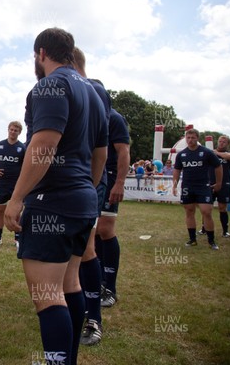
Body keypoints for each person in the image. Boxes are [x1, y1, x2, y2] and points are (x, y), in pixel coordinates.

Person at [4, 28, 107, 365]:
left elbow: (44, 145)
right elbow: (100, 155)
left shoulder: (50, 85)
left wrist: (17, 198)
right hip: (82, 200)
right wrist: (86, 192)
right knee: (69, 285)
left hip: (53, 202)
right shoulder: (93, 92)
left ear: (41, 53)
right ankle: (67, 359)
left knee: (48, 296)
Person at [71, 46, 111, 347]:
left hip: (85, 181)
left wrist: (89, 184)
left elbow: (102, 148)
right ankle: (74, 307)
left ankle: (93, 318)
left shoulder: (93, 89)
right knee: (73, 249)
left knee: (85, 248)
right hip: (78, 182)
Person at [96, 108, 130, 311]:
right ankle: (98, 281)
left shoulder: (115, 118)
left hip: (109, 176)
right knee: (92, 231)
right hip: (92, 175)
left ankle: (111, 288)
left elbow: (124, 150)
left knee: (105, 229)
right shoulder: (88, 113)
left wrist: (120, 182)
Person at [172, 128, 222, 250]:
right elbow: (177, 170)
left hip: (203, 186)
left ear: (197, 138)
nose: (190, 140)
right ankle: (192, 239)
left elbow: (218, 166)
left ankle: (211, 241)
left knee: (206, 212)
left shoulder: (206, 152)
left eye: (193, 137)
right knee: (189, 211)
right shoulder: (181, 154)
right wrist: (174, 185)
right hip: (187, 187)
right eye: (188, 138)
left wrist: (218, 183)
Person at [0, 121, 26, 248]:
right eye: (11, 129)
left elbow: (26, 165)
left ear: (19, 132)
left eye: (16, 130)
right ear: (8, 130)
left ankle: (17, 239)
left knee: (17, 211)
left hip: (16, 185)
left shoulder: (22, 148)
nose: (13, 132)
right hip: (2, 184)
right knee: (0, 211)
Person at [211, 135, 230, 238]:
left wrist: (218, 153)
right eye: (220, 141)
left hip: (224, 183)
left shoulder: (229, 155)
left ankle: (225, 231)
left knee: (222, 207)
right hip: (210, 183)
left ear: (228, 144)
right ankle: (204, 228)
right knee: (207, 207)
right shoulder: (210, 153)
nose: (221, 143)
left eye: (224, 142)